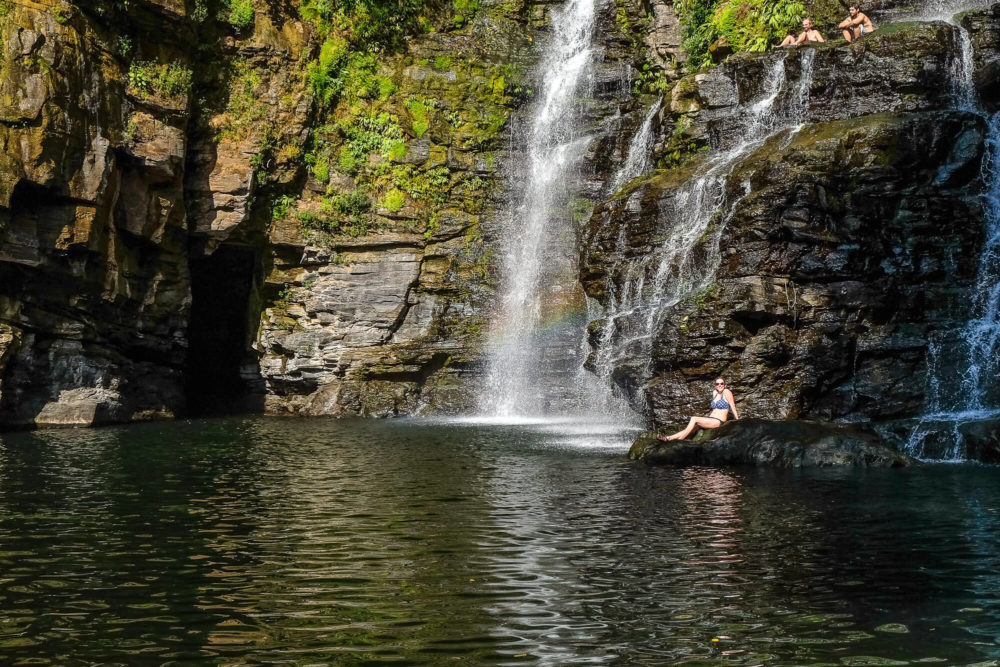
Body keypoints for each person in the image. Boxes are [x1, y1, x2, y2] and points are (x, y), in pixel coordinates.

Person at [657, 378, 740, 441]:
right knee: (691, 428)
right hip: (710, 420)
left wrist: (738, 421)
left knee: (694, 419)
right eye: (717, 384)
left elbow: (732, 406)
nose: (720, 385)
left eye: (722, 383)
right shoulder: (714, 393)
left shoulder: (726, 392)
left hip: (718, 421)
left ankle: (679, 440)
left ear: (724, 385)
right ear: (715, 385)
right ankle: (668, 438)